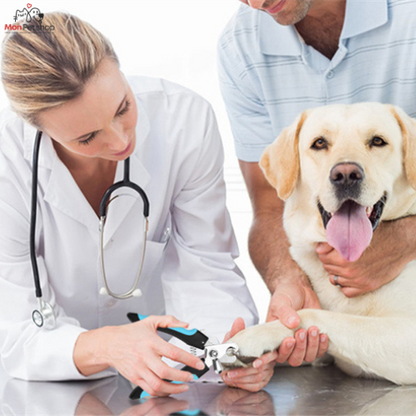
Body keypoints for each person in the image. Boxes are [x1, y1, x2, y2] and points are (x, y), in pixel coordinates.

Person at [0, 12, 277, 396]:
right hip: (46, 392)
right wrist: (106, 346)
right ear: (38, 127)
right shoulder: (7, 164)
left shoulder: (184, 122)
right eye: (87, 137)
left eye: (122, 108)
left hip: (165, 385)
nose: (119, 142)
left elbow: (206, 269)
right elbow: (12, 331)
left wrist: (225, 355)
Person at [218, 0, 416, 366]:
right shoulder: (240, 45)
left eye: (376, 141)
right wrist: (289, 285)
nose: (257, 2)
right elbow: (268, 205)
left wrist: (408, 237)